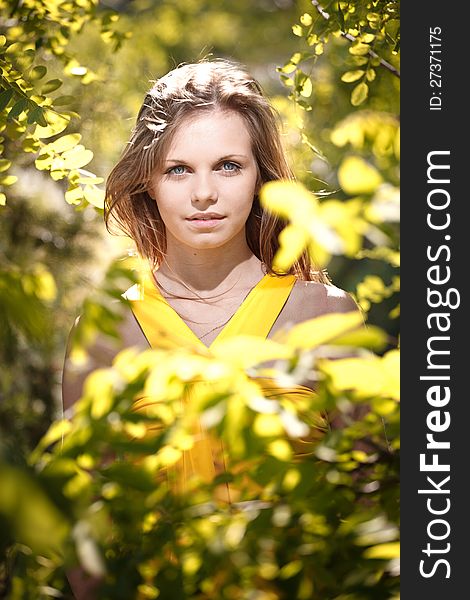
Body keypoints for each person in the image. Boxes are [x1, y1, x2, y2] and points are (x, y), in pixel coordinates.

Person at [62, 57, 358, 596]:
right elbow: (84, 528)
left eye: (227, 166)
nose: (203, 194)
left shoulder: (325, 314)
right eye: (178, 169)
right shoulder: (107, 331)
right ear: (148, 182)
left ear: (260, 177)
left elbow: (373, 503)